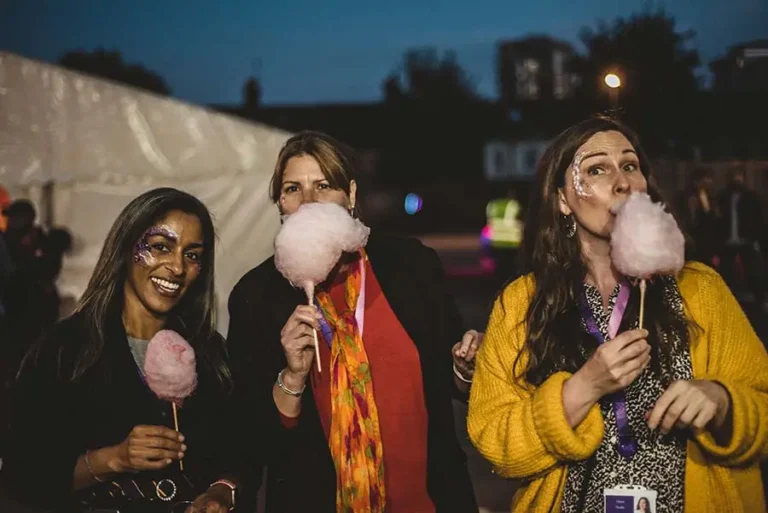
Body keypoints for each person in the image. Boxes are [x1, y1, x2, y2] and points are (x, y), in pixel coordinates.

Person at [467, 117, 768, 513]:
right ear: (562, 199)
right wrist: (584, 387)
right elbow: (495, 443)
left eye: (629, 166)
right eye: (596, 169)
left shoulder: (701, 288)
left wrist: (722, 400)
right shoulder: (522, 302)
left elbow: (761, 405)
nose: (622, 181)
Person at [227, 131, 480, 513]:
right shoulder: (256, 295)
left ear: (352, 195)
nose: (309, 202)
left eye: (324, 185)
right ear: (280, 204)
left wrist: (464, 368)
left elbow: (451, 378)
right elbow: (251, 439)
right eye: (293, 188)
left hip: (428, 500)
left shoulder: (411, 264)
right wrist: (292, 378)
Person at [1, 188, 257, 513]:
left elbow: (240, 454)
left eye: (192, 255)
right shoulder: (65, 350)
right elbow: (21, 477)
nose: (177, 267)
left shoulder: (209, 353)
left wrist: (222, 491)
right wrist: (114, 459)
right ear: (126, 248)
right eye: (160, 247)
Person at [717, 167, 766, 309]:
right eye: (734, 176)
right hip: (728, 240)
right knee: (726, 272)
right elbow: (719, 219)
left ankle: (760, 300)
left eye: (738, 176)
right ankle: (727, 301)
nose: (736, 179)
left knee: (754, 271)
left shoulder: (752, 196)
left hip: (746, 240)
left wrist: (756, 238)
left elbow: (759, 219)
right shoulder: (724, 196)